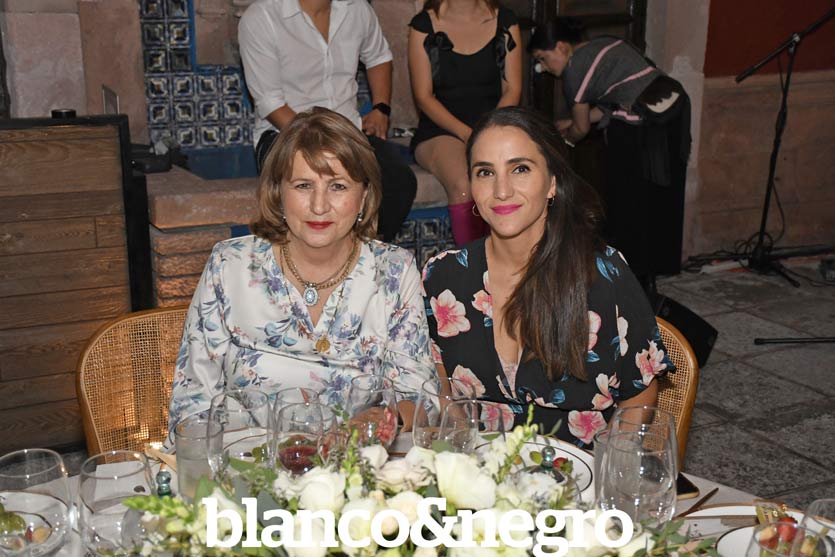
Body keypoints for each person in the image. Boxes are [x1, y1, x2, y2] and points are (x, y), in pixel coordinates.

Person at [169, 108, 436, 432]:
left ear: (364, 195)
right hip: (243, 458)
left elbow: (420, 398)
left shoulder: (394, 271)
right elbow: (192, 403)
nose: (319, 206)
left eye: (338, 186)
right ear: (278, 192)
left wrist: (384, 420)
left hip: (354, 458)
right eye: (303, 185)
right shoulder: (229, 266)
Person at [421, 107, 675, 445]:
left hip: (580, 469)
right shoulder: (443, 276)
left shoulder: (602, 273)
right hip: (481, 468)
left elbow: (638, 395)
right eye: (485, 172)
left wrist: (609, 465)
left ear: (552, 182)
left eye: (520, 169)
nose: (501, 190)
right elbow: (442, 391)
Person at [528, 18, 691, 290]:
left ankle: (632, 277)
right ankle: (648, 276)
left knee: (627, 205)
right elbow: (609, 105)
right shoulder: (602, 45)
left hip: (642, 130)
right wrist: (570, 123)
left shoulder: (575, 67)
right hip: (670, 115)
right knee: (655, 202)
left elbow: (581, 127)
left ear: (561, 47)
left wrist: (565, 139)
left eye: (543, 59)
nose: (544, 68)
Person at [239, 0, 417, 242]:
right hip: (284, 134)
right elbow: (270, 102)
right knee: (312, 188)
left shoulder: (357, 8)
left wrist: (381, 108)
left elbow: (379, 56)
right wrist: (320, 143)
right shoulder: (262, 17)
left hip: (347, 132)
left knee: (399, 180)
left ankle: (367, 252)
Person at [407, 0, 522, 246]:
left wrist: (488, 131)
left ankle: (512, 259)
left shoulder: (505, 21)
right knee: (465, 184)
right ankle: (472, 264)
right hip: (441, 131)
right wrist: (468, 134)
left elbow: (512, 90)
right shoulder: (423, 25)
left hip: (495, 126)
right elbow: (424, 97)